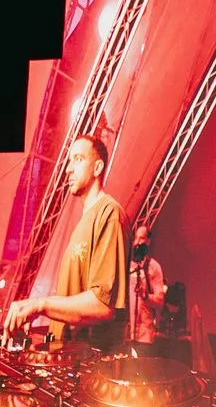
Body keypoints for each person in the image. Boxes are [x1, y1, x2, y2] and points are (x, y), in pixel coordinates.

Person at [11, 124, 128, 334]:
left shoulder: (109, 213)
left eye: (78, 159)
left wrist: (40, 305)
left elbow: (102, 306)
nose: (68, 169)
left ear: (98, 168)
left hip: (88, 363)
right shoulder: (83, 221)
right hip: (66, 356)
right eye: (69, 161)